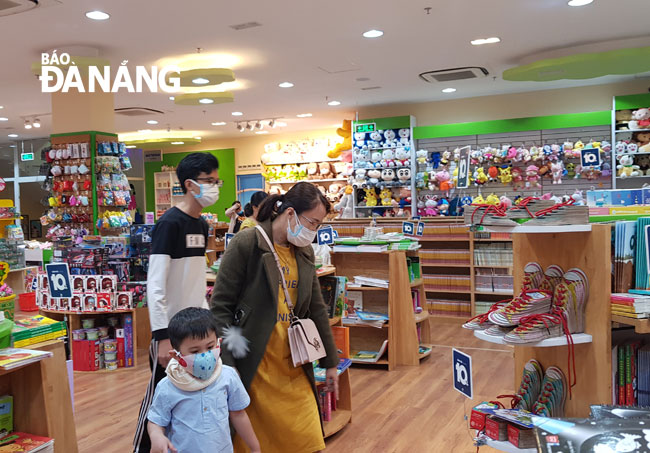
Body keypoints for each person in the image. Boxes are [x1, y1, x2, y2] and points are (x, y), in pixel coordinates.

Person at [211, 181, 339, 453]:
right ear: (290, 213)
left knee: (309, 439)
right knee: (256, 443)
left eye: (318, 225)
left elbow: (316, 308)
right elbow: (220, 306)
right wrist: (228, 363)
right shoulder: (248, 242)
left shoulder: (302, 250)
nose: (313, 231)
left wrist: (330, 362)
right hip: (254, 366)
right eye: (312, 222)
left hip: (294, 364)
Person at [133, 152, 221, 453]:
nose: (215, 186)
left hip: (198, 330)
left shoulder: (202, 226)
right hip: (170, 335)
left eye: (216, 180)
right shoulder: (169, 223)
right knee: (160, 401)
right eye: (209, 181)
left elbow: (195, 280)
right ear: (189, 184)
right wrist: (161, 337)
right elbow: (155, 283)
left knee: (193, 399)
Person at [147, 307, 260, 453]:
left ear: (218, 343)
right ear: (176, 356)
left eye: (210, 347)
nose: (205, 355)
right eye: (194, 351)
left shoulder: (228, 376)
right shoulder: (167, 386)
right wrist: (156, 436)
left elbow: (238, 414)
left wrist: (254, 447)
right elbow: (156, 421)